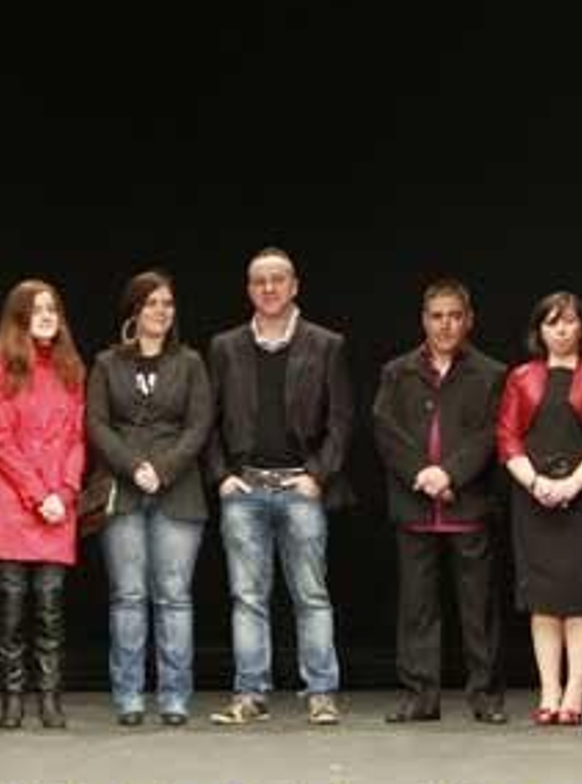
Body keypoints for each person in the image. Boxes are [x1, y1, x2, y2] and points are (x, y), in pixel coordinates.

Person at [205, 247, 354, 727]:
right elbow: (208, 421)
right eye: (259, 281)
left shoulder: (325, 344)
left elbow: (342, 420)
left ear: (294, 286)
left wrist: (319, 475)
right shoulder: (226, 347)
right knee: (247, 596)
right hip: (245, 490)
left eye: (278, 279)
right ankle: (250, 694)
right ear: (249, 290)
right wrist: (222, 476)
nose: (268, 288)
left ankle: (321, 692)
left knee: (310, 594)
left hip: (299, 487)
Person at [372, 278, 507, 725]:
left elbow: (489, 435)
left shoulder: (490, 374)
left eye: (454, 316)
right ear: (423, 321)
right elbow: (386, 432)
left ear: (469, 320)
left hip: (468, 505)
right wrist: (423, 477)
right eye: (436, 316)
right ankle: (419, 697)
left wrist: (449, 474)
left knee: (478, 609)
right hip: (415, 507)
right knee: (417, 608)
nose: (445, 325)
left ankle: (485, 696)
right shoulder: (398, 372)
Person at [86, 270, 212, 726]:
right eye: (152, 303)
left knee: (174, 596)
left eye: (167, 304)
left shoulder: (191, 363)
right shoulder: (106, 364)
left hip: (178, 492)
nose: (161, 311)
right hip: (123, 491)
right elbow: (97, 424)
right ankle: (129, 697)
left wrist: (162, 469)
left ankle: (175, 697)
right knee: (128, 596)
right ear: (134, 311)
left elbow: (199, 426)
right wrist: (132, 466)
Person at [497, 291, 582, 726]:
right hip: (533, 497)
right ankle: (549, 689)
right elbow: (507, 436)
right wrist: (534, 482)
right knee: (543, 599)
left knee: (579, 595)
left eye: (569, 322)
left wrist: (572, 483)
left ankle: (575, 690)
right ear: (539, 330)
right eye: (553, 323)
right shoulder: (521, 377)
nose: (562, 330)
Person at [0, 279, 85, 729]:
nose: (47, 316)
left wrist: (64, 492)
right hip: (12, 503)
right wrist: (39, 496)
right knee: (12, 609)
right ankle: (13, 698)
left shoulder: (72, 369)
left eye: (52, 309)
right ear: (18, 317)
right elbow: (0, 439)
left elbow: (78, 438)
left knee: (50, 608)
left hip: (58, 503)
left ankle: (50, 697)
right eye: (37, 309)